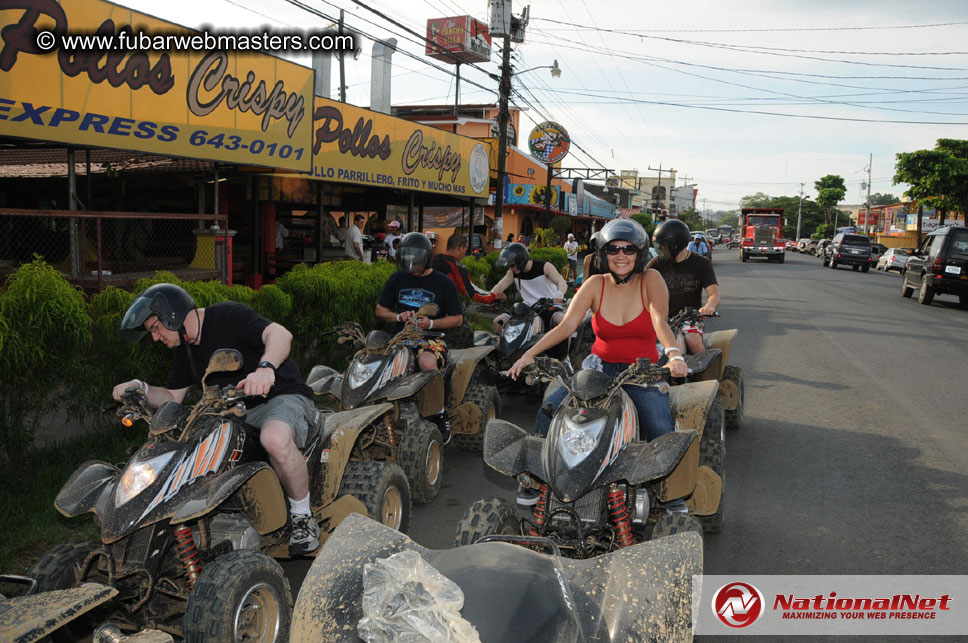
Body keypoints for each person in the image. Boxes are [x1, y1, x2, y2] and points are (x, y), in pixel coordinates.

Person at [114, 284, 320, 555]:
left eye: (156, 328)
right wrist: (140, 387)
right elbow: (173, 397)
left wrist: (266, 369)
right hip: (233, 411)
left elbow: (279, 333)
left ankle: (303, 517)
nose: (155, 337)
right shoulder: (184, 350)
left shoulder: (227, 315)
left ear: (172, 316)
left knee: (275, 438)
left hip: (281, 396)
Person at [507, 219, 689, 506]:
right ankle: (535, 477)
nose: (620, 255)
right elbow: (566, 326)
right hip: (599, 368)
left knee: (659, 427)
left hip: (641, 371)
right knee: (550, 409)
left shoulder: (651, 280)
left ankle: (672, 495)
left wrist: (674, 354)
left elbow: (659, 321)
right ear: (604, 253)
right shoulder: (595, 284)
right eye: (613, 248)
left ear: (639, 253)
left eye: (628, 249)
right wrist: (529, 353)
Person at [376, 233, 464, 442]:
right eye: (406, 258)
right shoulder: (397, 279)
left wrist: (431, 323)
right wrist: (398, 315)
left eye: (415, 259)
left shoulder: (443, 283)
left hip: (431, 337)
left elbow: (457, 319)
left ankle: (439, 413)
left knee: (426, 361)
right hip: (400, 336)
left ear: (425, 258)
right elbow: (380, 311)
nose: (411, 263)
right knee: (375, 362)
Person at [648, 219, 721, 355]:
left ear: (675, 246)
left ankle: (700, 376)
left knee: (694, 344)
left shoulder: (701, 263)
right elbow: (638, 284)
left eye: (663, 246)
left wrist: (709, 306)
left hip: (688, 319)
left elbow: (714, 294)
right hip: (659, 318)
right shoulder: (657, 263)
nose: (660, 249)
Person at [489, 242, 568, 334]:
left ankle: (569, 348)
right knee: (497, 322)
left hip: (549, 307)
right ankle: (502, 348)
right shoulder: (512, 273)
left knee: (564, 321)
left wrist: (560, 293)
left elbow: (560, 280)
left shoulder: (544, 267)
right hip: (526, 309)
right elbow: (500, 285)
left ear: (520, 261)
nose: (510, 268)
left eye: (512, 265)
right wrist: (490, 296)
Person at [432, 233, 507, 305]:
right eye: (465, 250)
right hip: (445, 308)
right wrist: (493, 296)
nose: (464, 254)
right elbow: (471, 291)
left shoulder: (432, 260)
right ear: (460, 248)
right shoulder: (457, 267)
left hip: (425, 303)